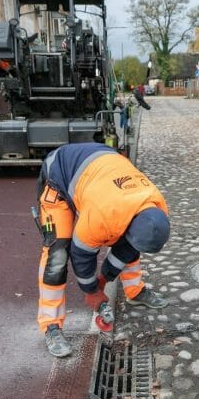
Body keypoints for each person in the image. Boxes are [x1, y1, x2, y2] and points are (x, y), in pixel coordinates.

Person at [36, 142, 170, 357]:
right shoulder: (103, 216)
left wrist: (104, 279)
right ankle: (51, 325)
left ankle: (134, 291)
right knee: (57, 255)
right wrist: (92, 291)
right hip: (58, 177)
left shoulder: (155, 206)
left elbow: (128, 247)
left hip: (101, 174)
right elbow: (81, 255)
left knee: (132, 242)